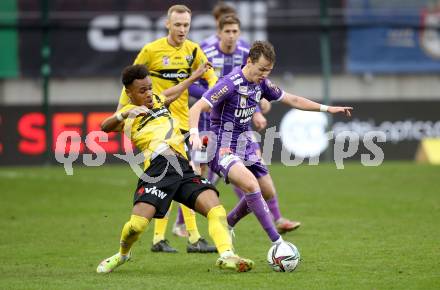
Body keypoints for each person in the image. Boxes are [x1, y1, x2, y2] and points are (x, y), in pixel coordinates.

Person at [189, 41, 353, 245]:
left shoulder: (262, 84)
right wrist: (195, 133)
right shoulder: (229, 83)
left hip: (245, 143)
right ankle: (278, 244)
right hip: (221, 145)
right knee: (250, 184)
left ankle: (228, 223)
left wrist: (328, 109)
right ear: (249, 61)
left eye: (268, 70)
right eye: (261, 69)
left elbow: (293, 100)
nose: (265, 74)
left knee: (267, 192)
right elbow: (196, 108)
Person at [96, 64, 253, 274]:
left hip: (182, 166)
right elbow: (104, 127)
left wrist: (195, 75)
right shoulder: (128, 114)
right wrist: (124, 114)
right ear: (129, 92)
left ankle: (227, 255)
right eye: (142, 91)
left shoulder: (158, 99)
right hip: (158, 170)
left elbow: (176, 91)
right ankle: (123, 255)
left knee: (216, 209)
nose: (148, 93)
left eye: (150, 88)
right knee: (136, 227)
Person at [173, 15, 300, 237]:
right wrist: (215, 96)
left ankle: (274, 217)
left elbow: (251, 89)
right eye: (228, 31)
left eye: (235, 31)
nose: (232, 35)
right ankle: (183, 224)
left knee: (251, 168)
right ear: (219, 32)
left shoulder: (246, 54)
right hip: (208, 120)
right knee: (201, 173)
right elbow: (189, 85)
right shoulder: (205, 51)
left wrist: (258, 111)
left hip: (237, 124)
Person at [117, 4, 218, 253]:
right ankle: (180, 239)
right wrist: (123, 114)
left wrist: (214, 99)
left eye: (186, 25)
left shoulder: (193, 50)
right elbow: (129, 82)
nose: (182, 29)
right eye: (178, 24)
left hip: (181, 122)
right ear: (167, 24)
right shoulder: (151, 51)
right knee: (172, 179)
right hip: (152, 126)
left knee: (180, 177)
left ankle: (177, 238)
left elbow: (210, 75)